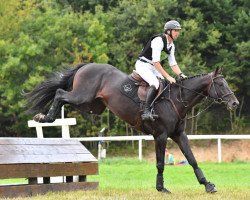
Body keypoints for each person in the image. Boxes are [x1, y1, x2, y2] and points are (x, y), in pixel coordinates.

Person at [135, 20, 187, 121]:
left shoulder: (171, 45)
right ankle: (146, 111)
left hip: (154, 67)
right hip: (143, 65)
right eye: (176, 30)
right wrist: (168, 76)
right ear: (168, 31)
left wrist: (181, 74)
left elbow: (173, 63)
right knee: (155, 83)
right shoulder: (158, 40)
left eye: (178, 31)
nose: (178, 33)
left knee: (165, 84)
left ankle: (157, 109)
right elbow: (156, 62)